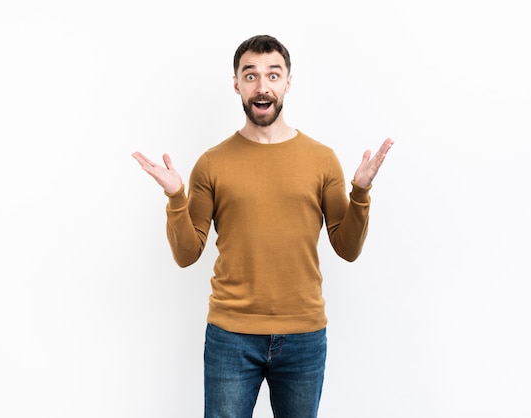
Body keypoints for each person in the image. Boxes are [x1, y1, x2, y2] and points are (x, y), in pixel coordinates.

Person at [132, 34, 393, 418]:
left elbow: (347, 248)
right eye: (250, 75)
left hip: (304, 336)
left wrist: (361, 192)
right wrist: (176, 197)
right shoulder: (212, 162)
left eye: (273, 74)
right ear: (237, 85)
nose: (262, 85)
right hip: (230, 337)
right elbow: (187, 255)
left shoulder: (321, 159)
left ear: (288, 82)